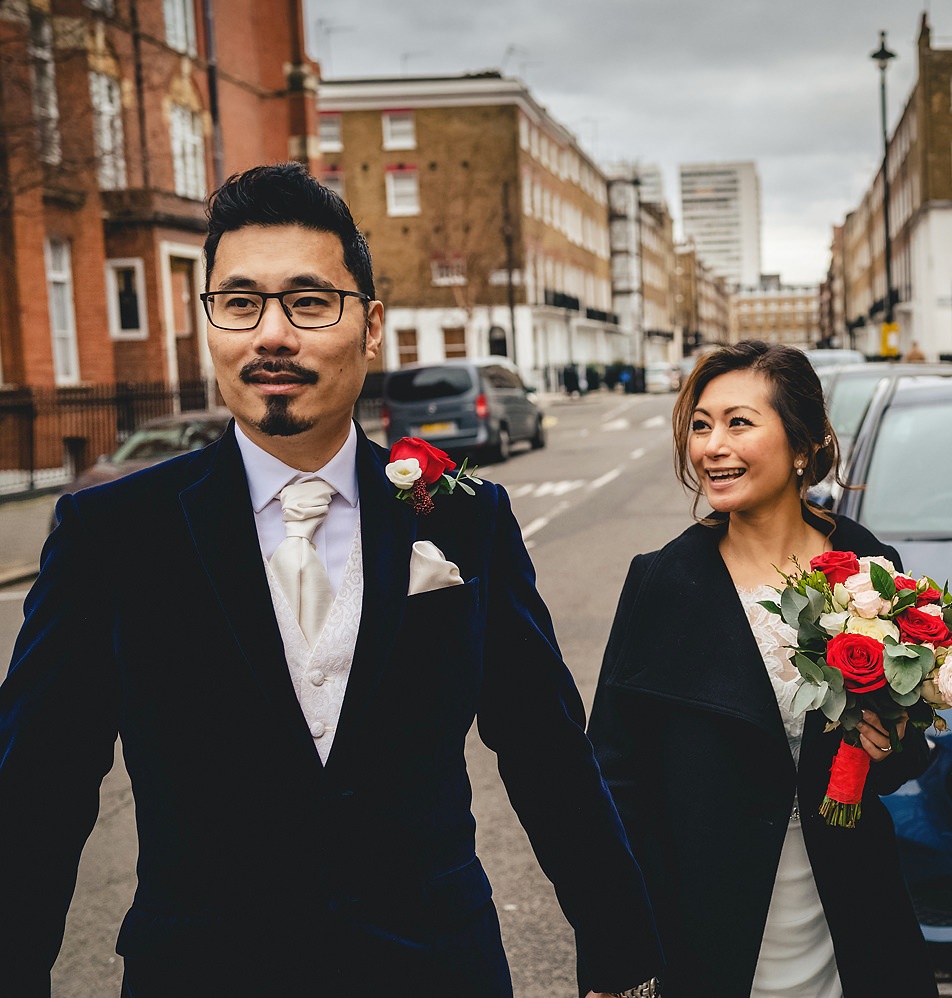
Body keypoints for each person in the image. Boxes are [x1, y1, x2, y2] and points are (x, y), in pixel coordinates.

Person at [0, 164, 660, 998]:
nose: (272, 334)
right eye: (240, 302)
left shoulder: (464, 520)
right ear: (212, 323)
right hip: (204, 973)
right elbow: (37, 793)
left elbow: (546, 749)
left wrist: (621, 948)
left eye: (309, 302)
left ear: (371, 325)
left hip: (434, 969)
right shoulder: (113, 535)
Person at [588, 341, 938, 997]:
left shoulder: (871, 570)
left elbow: (909, 746)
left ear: (802, 445)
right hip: (711, 921)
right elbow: (616, 777)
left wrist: (891, 746)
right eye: (701, 424)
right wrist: (615, 952)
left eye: (738, 422)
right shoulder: (664, 582)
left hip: (851, 912)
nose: (711, 446)